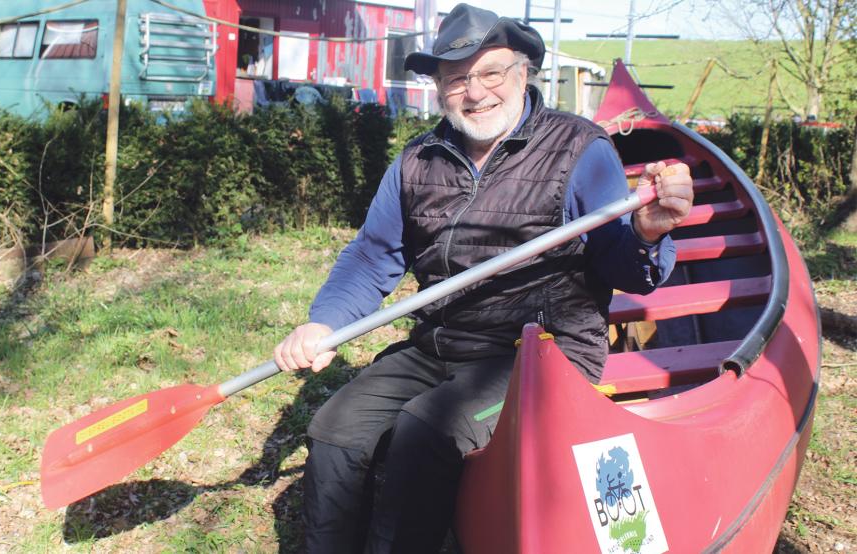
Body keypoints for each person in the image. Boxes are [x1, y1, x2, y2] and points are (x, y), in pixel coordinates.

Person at [273, 4, 694, 553]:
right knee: (334, 429)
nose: (474, 92)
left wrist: (645, 234)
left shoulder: (580, 149)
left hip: (543, 354)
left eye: (491, 72)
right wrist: (323, 322)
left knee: (424, 431)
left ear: (523, 72)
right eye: (455, 79)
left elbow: (624, 266)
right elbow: (373, 255)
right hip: (441, 343)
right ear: (438, 88)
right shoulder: (418, 160)